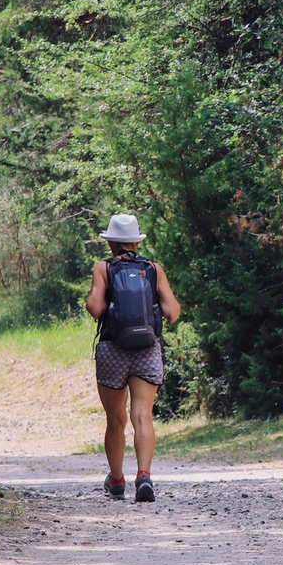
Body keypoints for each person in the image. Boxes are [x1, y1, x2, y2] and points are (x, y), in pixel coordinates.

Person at [85, 213, 181, 503]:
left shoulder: (104, 267)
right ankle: (144, 476)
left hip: (113, 349)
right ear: (137, 241)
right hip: (147, 349)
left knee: (116, 419)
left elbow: (95, 308)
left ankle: (116, 481)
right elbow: (173, 312)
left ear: (111, 242)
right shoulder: (153, 269)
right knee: (142, 415)